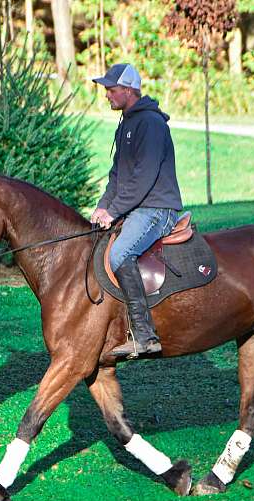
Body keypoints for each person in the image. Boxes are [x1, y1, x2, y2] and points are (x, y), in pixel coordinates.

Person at [90, 63, 183, 359]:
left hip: (157, 208)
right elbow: (118, 175)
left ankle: (145, 336)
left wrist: (115, 210)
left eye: (111, 89)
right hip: (137, 207)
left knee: (119, 254)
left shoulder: (151, 124)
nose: (107, 95)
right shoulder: (127, 124)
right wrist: (103, 206)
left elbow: (143, 177)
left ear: (129, 90)